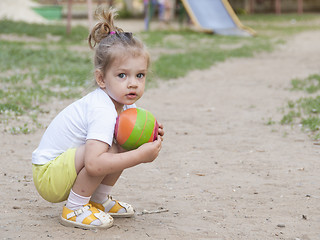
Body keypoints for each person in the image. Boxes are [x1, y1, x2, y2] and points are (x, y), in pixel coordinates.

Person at [32, 7, 164, 230]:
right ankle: (74, 208)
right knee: (110, 147)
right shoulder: (102, 108)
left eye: (139, 75)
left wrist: (149, 135)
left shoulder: (126, 106)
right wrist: (140, 155)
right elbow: (93, 164)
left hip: (65, 169)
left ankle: (97, 200)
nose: (133, 83)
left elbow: (127, 141)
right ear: (101, 79)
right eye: (122, 75)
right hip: (49, 176)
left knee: (122, 140)